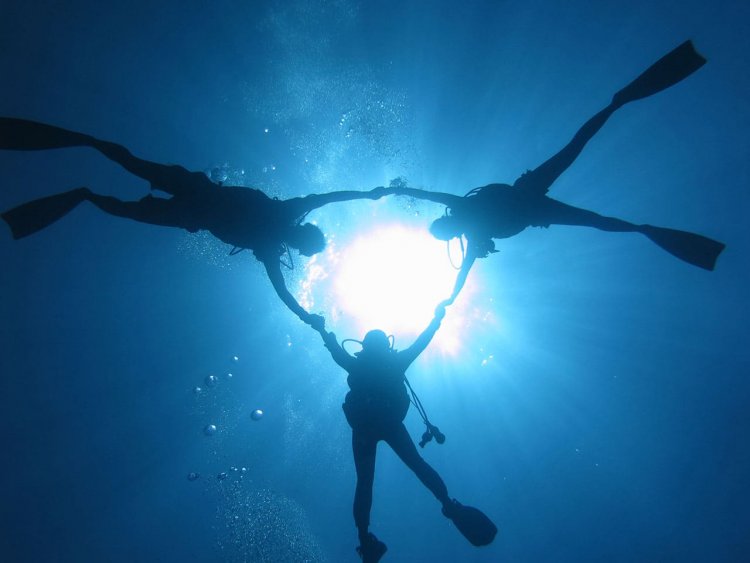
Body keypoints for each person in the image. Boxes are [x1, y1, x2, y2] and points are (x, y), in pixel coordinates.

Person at [387, 40, 725, 304]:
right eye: (446, 231)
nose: (449, 228)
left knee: (577, 153)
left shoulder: (464, 210)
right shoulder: (473, 231)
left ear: (446, 227)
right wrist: (450, 297)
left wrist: (393, 191)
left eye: (445, 228)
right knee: (592, 210)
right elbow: (463, 269)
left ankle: (618, 104)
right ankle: (643, 227)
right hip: (533, 206)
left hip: (528, 194)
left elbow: (426, 198)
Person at [0, 117, 387, 325]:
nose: (299, 245)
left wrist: (305, 316)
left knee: (126, 192)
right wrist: (368, 193)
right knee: (129, 169)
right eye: (305, 243)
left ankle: (81, 188)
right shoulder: (282, 221)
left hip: (192, 209)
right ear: (304, 235)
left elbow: (282, 290)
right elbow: (329, 198)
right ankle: (82, 161)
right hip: (196, 199)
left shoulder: (271, 244)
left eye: (303, 247)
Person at [309, 305, 496, 562]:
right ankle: (448, 503)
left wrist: (323, 331)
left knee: (364, 481)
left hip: (364, 423)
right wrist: (436, 319)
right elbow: (422, 341)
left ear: (364, 347)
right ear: (387, 346)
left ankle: (364, 538)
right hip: (389, 420)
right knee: (417, 464)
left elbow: (335, 350)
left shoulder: (357, 365)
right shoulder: (395, 362)